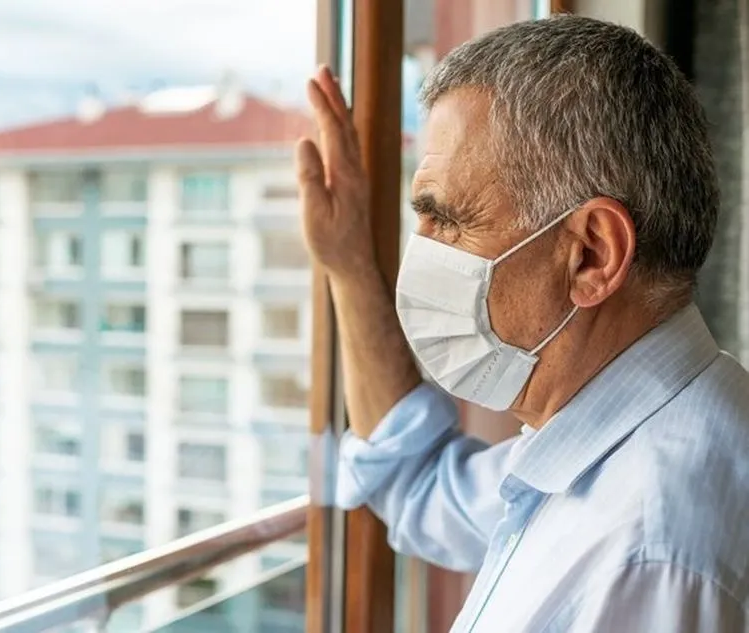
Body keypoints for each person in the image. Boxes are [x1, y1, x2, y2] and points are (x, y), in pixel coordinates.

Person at [295, 14, 749, 633]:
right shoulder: (607, 434)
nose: (422, 254)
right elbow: (418, 485)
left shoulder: (650, 551)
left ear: (591, 254)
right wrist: (349, 265)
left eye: (448, 220)